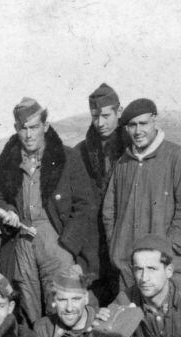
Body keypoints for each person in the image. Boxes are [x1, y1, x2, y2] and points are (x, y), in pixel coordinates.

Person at [0, 97, 97, 326]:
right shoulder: (8, 160)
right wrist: (7, 211)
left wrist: (67, 245)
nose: (29, 135)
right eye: (23, 128)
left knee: (62, 304)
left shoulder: (67, 158)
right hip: (22, 240)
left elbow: (85, 205)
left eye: (34, 127)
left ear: (45, 126)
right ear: (16, 128)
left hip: (56, 239)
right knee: (28, 306)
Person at [102, 98, 181, 289]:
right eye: (132, 125)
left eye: (143, 123)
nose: (138, 131)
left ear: (154, 120)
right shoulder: (123, 163)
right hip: (128, 268)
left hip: (166, 267)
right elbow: (110, 210)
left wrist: (170, 248)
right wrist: (116, 246)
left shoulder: (178, 158)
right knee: (132, 316)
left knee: (167, 315)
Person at [75, 83, 126, 305]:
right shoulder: (80, 152)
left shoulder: (130, 150)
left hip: (122, 235)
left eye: (106, 115)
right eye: (95, 116)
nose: (100, 123)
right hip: (93, 244)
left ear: (119, 112)